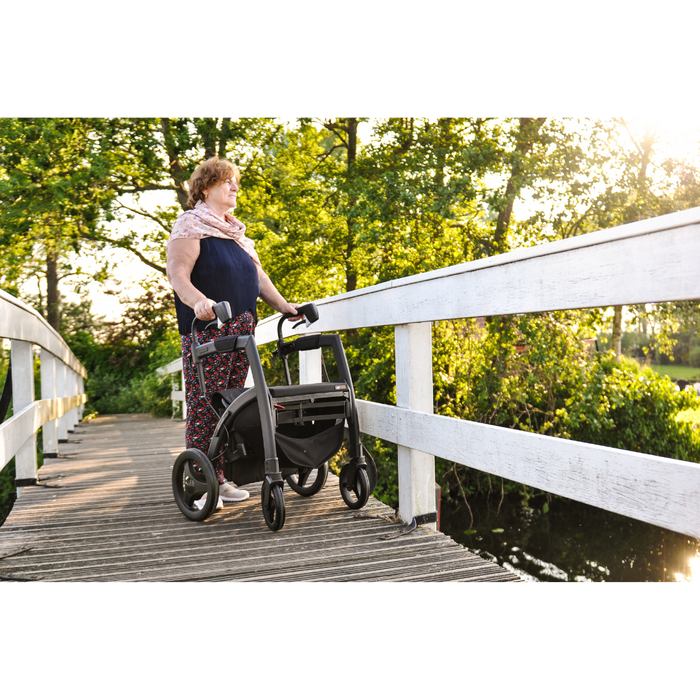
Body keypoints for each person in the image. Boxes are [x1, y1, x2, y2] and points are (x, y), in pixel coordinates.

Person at [166, 156, 301, 510]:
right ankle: (198, 479)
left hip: (243, 328)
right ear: (207, 186)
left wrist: (285, 306)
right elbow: (178, 275)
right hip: (207, 328)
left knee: (230, 404)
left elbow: (258, 279)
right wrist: (199, 302)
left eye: (236, 182)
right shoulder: (190, 225)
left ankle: (221, 477)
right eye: (229, 181)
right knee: (204, 402)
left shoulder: (236, 234)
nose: (235, 187)